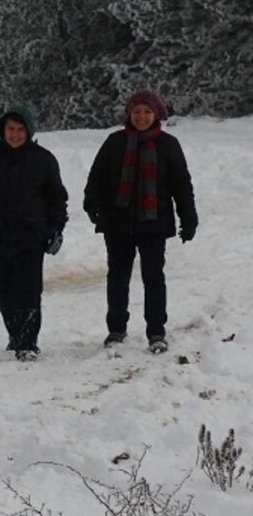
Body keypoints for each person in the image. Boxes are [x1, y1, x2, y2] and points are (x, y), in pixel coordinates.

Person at [83, 89, 197, 354]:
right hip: (117, 222)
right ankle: (116, 329)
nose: (141, 117)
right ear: (128, 114)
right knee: (118, 277)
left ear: (156, 114)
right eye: (136, 112)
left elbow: (182, 185)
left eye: (147, 112)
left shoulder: (168, 145)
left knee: (154, 277)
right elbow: (96, 178)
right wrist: (93, 206)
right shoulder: (115, 142)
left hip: (154, 223)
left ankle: (156, 331)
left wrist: (188, 218)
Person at [0, 106, 68, 361]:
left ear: (29, 131)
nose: (15, 134)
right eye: (10, 129)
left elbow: (57, 197)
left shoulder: (43, 159)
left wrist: (56, 229)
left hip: (32, 235)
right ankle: (15, 333)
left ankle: (28, 342)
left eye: (21, 129)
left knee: (29, 291)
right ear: (2, 130)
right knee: (4, 290)